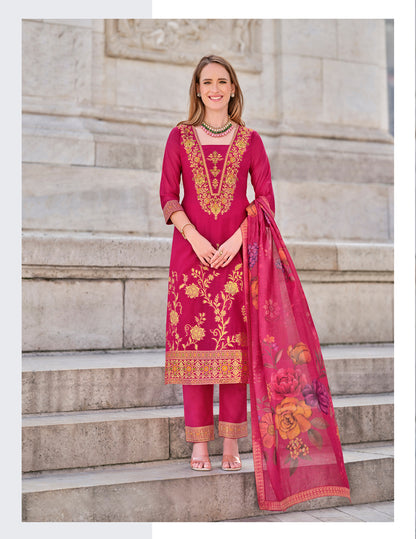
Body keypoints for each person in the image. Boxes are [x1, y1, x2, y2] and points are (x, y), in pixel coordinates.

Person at [160, 54, 351, 511]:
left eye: (221, 81)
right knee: (197, 352)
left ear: (232, 87)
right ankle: (199, 443)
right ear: (197, 88)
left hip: (237, 258)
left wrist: (234, 241)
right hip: (191, 258)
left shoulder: (250, 140)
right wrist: (196, 237)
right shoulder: (179, 137)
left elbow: (264, 199)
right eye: (206, 82)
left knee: (235, 354)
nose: (214, 89)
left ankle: (231, 441)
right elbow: (168, 195)